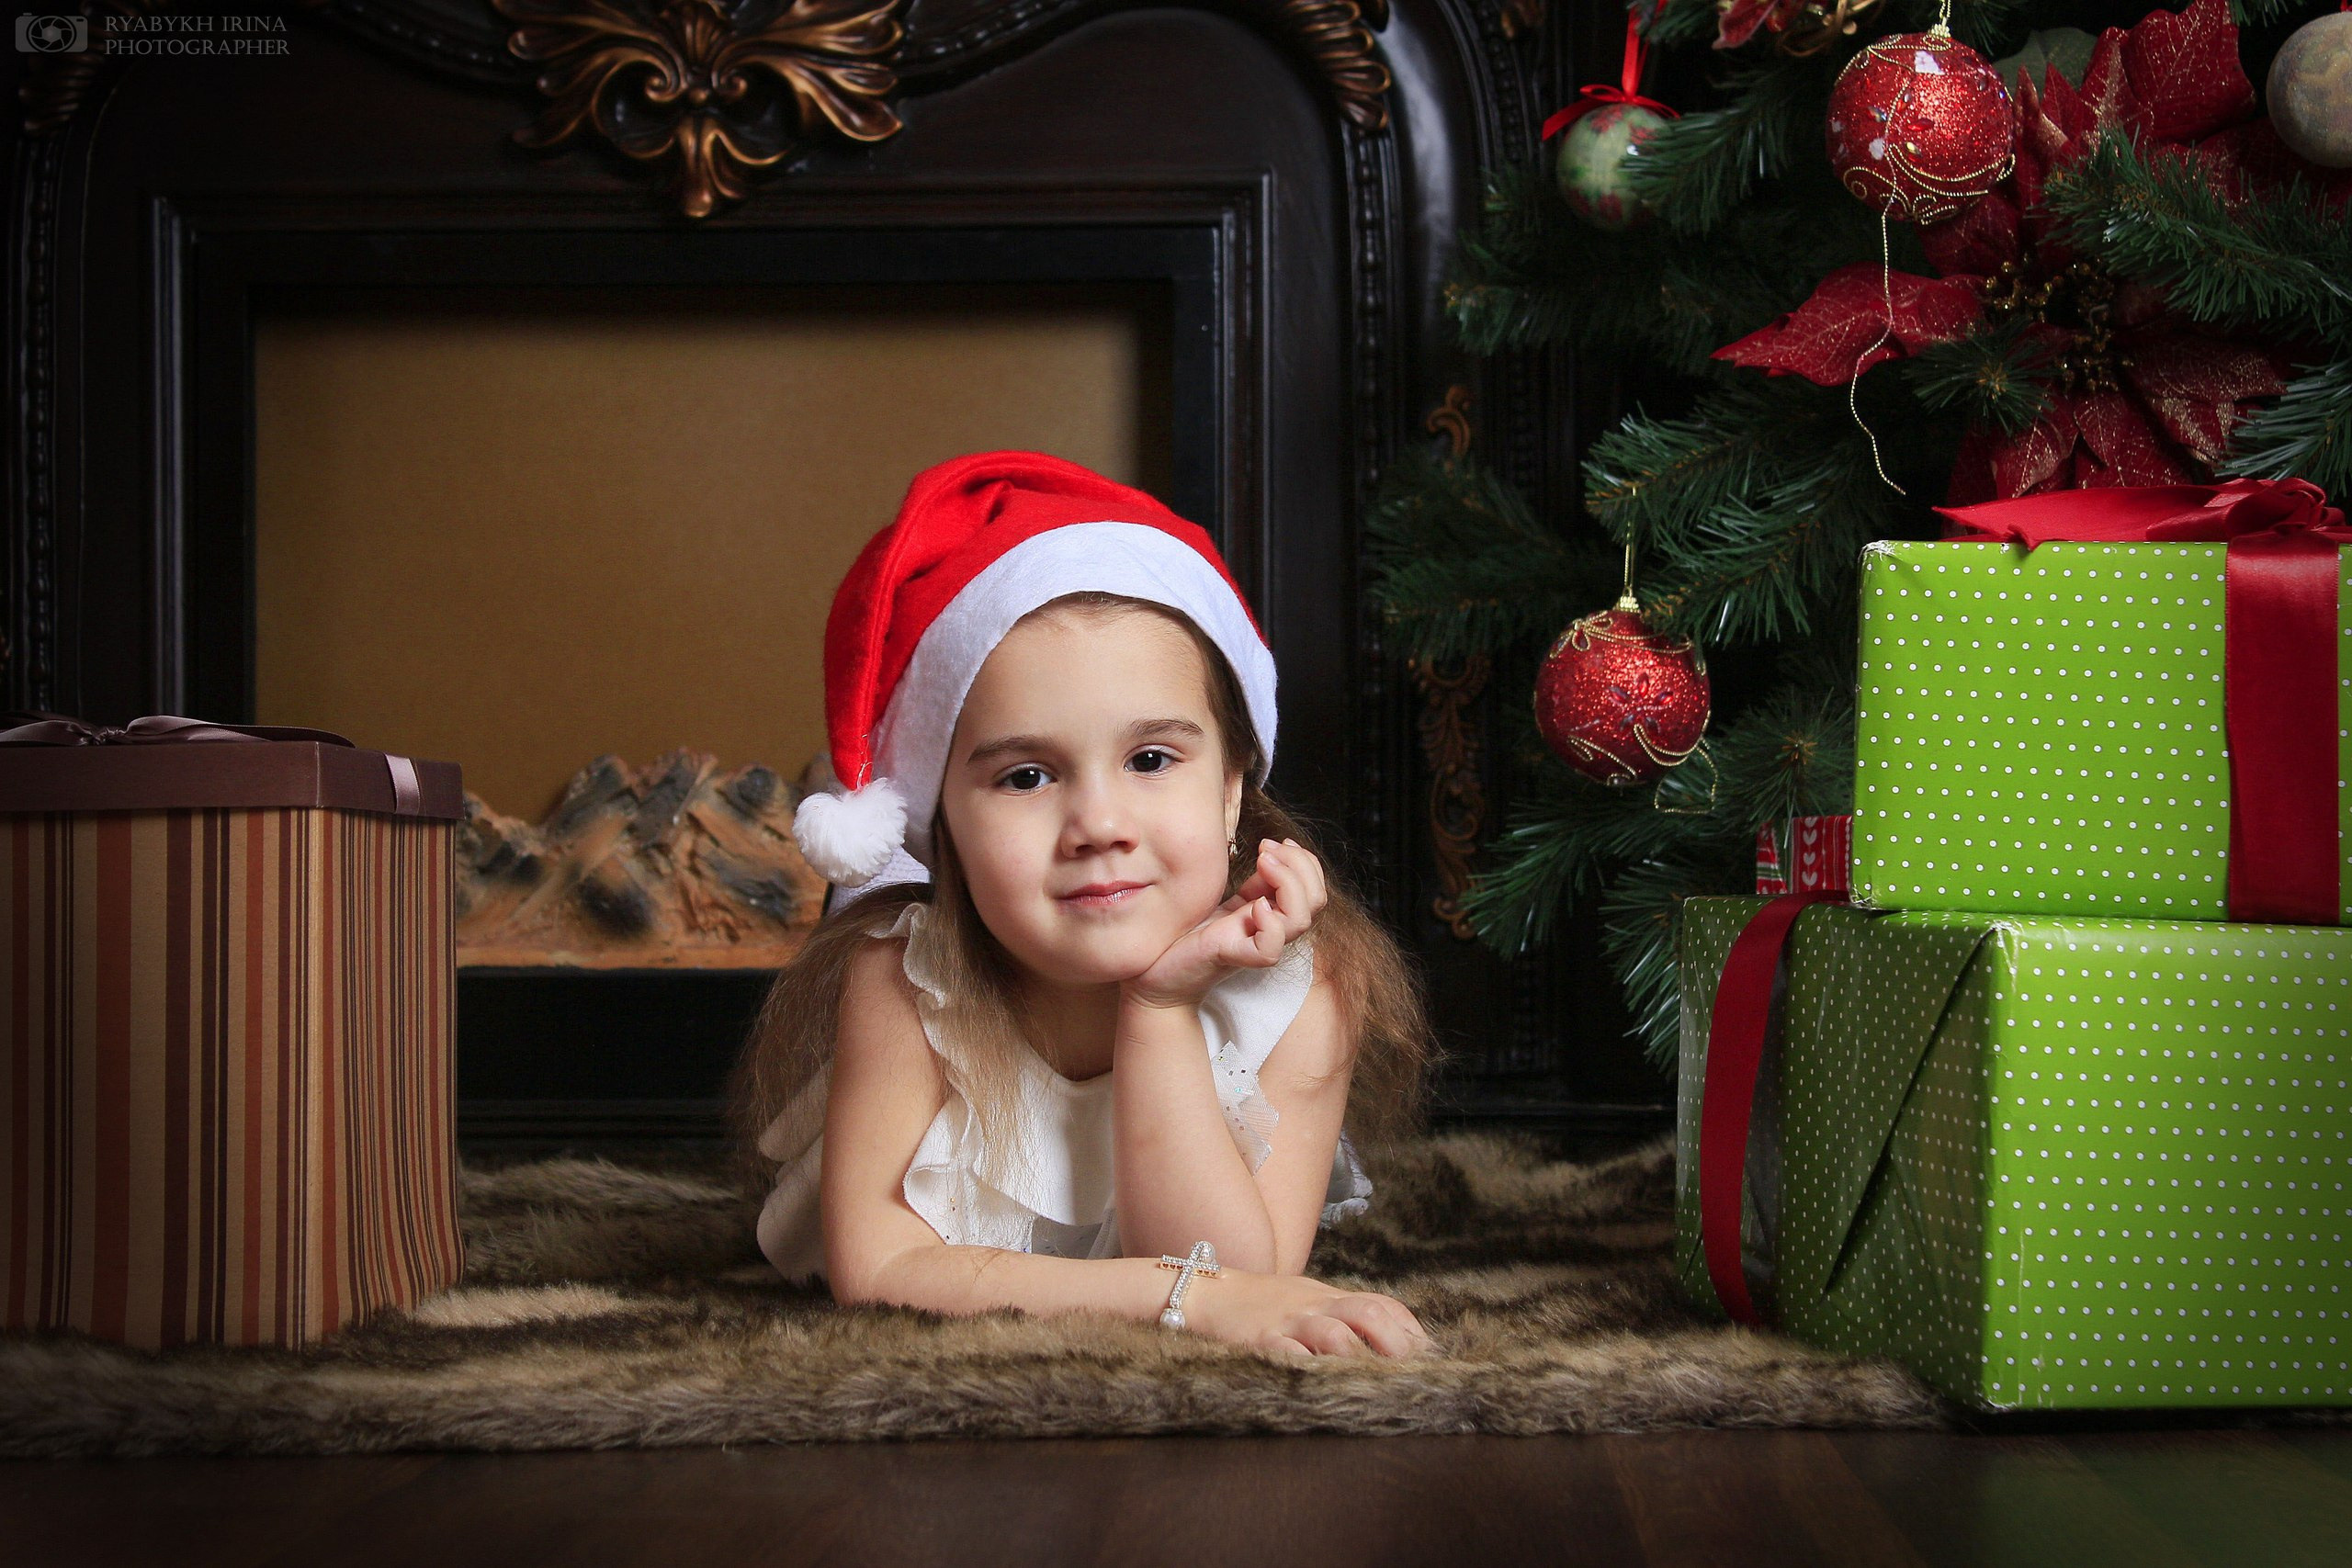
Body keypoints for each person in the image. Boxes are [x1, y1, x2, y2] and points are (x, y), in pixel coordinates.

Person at [729, 451, 1437, 1359]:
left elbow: (1239, 1267)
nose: (1098, 824)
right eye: (1026, 776)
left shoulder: (1308, 989)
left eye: (1150, 760)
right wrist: (1187, 1303)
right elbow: (885, 1270)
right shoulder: (904, 984)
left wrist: (1160, 1009)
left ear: (1231, 790)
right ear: (943, 821)